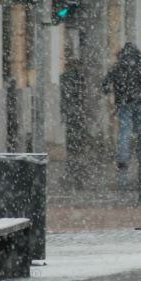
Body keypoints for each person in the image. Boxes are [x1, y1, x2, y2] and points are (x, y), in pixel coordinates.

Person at [102, 43, 141, 190]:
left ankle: (123, 157)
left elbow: (105, 84)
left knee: (124, 131)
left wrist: (109, 90)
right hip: (140, 102)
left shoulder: (117, 67)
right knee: (140, 129)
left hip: (123, 103)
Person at [60, 56, 86, 190]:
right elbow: (82, 95)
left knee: (71, 141)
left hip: (71, 113)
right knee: (78, 141)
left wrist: (63, 112)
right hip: (78, 113)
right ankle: (78, 171)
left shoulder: (65, 77)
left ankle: (72, 169)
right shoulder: (80, 77)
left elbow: (64, 96)